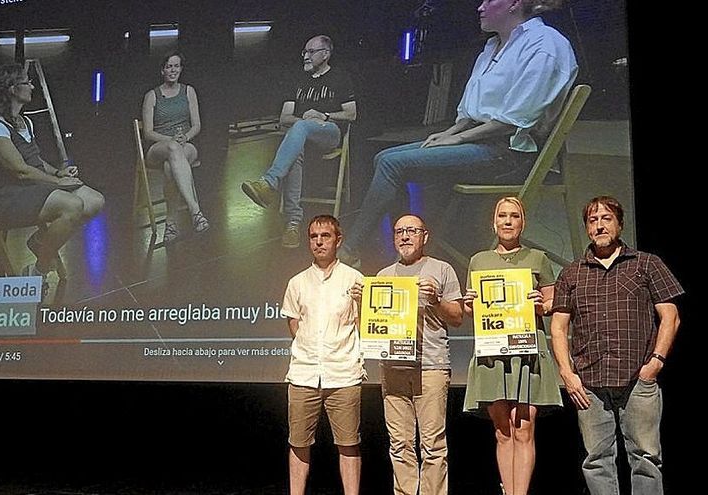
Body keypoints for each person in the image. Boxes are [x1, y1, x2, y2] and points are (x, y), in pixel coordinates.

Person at [338, 0, 577, 265]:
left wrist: (458, 138)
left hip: (510, 152)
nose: (480, 7)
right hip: (481, 142)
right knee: (383, 157)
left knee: (393, 164)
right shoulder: (492, 46)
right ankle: (407, 249)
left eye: (489, 0)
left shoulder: (545, 45)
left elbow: (515, 120)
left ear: (514, 3)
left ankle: (351, 251)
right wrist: (450, 132)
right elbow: (472, 110)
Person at [550, 196, 683, 495]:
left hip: (638, 378)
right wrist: (567, 374)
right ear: (586, 228)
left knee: (646, 459)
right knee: (597, 461)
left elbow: (670, 317)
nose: (599, 226)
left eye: (606, 219)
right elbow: (558, 327)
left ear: (620, 224)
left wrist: (656, 363)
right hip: (590, 384)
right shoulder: (572, 273)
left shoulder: (646, 264)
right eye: (593, 220)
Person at [355, 214, 463, 495]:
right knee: (399, 444)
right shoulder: (383, 276)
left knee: (433, 444)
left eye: (411, 231)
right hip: (393, 368)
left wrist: (437, 299)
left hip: (431, 366)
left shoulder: (442, 270)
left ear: (424, 236)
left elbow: (458, 317)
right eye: (399, 231)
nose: (405, 236)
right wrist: (361, 302)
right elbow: (371, 327)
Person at [461, 197, 561, 495]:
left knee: (524, 428)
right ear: (494, 222)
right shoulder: (479, 260)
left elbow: (554, 301)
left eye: (514, 216)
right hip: (493, 352)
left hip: (527, 350)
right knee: (503, 431)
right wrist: (470, 305)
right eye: (502, 216)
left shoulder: (538, 258)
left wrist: (541, 304)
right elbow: (471, 308)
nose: (507, 221)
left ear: (522, 222)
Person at [0, 64, 105, 277]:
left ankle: (40, 242)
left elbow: (35, 161)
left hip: (35, 188)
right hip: (10, 197)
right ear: (12, 89)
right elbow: (20, 171)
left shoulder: (25, 121)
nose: (32, 86)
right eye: (27, 82)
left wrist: (58, 173)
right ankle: (39, 270)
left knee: (95, 200)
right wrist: (56, 183)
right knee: (72, 205)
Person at [241, 35, 357, 249]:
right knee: (295, 149)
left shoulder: (340, 77)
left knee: (299, 129)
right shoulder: (297, 79)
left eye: (311, 52)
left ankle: (269, 182)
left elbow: (351, 114)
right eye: (304, 52)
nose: (305, 56)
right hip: (300, 136)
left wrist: (324, 116)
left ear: (326, 54)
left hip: (328, 132)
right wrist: (303, 121)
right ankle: (293, 224)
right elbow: (284, 118)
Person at [282, 215, 364, 495]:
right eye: (313, 237)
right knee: (299, 442)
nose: (318, 242)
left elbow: (364, 324)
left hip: (343, 373)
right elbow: (294, 324)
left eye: (325, 236)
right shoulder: (297, 282)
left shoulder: (355, 281)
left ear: (338, 240)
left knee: (348, 442)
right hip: (304, 373)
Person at [141, 51, 209, 244]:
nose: (173, 70)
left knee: (171, 167)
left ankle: (170, 224)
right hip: (159, 147)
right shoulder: (152, 96)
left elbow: (196, 125)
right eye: (169, 66)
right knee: (172, 150)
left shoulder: (189, 91)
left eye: (176, 66)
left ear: (181, 69)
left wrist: (185, 137)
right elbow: (148, 132)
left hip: (185, 144)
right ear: (162, 70)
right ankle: (195, 210)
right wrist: (171, 140)